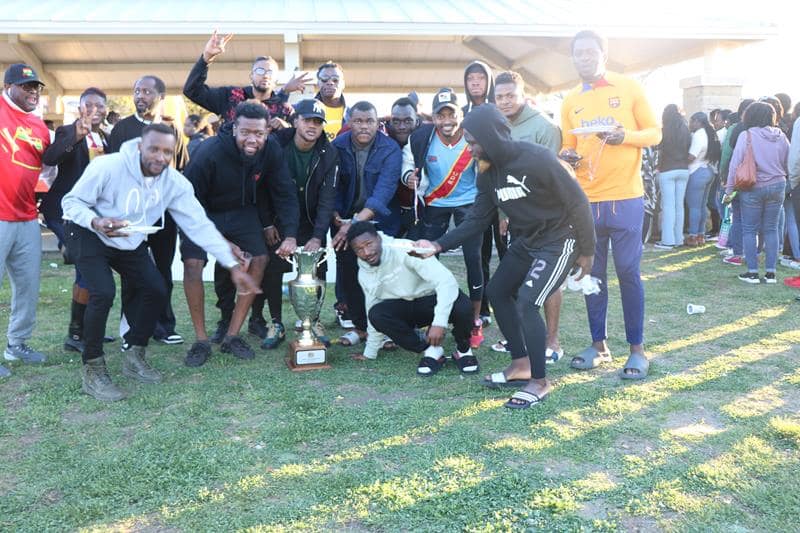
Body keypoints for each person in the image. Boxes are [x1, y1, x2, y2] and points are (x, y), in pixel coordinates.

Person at [413, 105, 595, 409]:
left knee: (527, 302)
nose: (469, 149)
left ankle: (539, 381)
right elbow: (476, 219)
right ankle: (521, 364)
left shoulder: (537, 158)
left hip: (560, 239)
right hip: (527, 240)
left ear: (491, 136)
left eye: (473, 142)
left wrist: (588, 251)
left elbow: (578, 201)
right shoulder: (487, 174)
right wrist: (437, 245)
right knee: (497, 291)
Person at [61, 124, 260, 401]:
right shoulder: (108, 166)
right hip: (87, 231)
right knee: (103, 291)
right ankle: (93, 369)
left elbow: (199, 225)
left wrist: (232, 265)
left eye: (167, 151)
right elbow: (71, 202)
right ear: (140, 147)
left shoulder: (174, 183)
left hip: (127, 237)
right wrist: (96, 221)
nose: (160, 157)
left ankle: (135, 355)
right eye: (154, 149)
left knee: (156, 289)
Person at [559, 30, 661, 379]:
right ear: (573, 58)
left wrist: (624, 137)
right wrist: (567, 156)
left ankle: (637, 350)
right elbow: (567, 146)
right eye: (579, 53)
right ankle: (598, 345)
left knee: (629, 272)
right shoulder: (571, 100)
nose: (585, 57)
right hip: (587, 200)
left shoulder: (629, 87)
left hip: (626, 197)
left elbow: (655, 132)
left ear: (604, 53)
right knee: (592, 274)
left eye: (591, 51)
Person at [181, 103, 299, 366]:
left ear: (267, 132)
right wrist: (223, 243)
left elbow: (285, 192)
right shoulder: (208, 151)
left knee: (260, 258)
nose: (252, 139)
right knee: (192, 264)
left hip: (240, 211)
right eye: (245, 132)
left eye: (258, 133)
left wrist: (291, 234)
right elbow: (188, 203)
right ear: (234, 128)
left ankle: (232, 336)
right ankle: (201, 341)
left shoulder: (271, 150)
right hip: (200, 212)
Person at [107, 75, 188, 346]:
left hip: (164, 214)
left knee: (163, 270)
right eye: (137, 91)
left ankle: (164, 326)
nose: (140, 96)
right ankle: (131, 330)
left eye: (147, 91)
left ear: (161, 97)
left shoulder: (172, 129)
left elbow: (181, 167)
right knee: (132, 272)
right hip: (130, 214)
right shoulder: (121, 129)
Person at [490, 70, 566, 363]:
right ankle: (518, 336)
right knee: (517, 279)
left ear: (523, 95)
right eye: (499, 97)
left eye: (510, 95)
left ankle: (552, 340)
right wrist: (503, 212)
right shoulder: (497, 126)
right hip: (515, 218)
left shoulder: (544, 127)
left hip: (546, 220)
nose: (505, 101)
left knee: (549, 280)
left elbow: (554, 177)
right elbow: (500, 174)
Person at [402, 88, 484, 348]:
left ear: (461, 114)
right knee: (429, 261)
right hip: (435, 203)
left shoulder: (474, 136)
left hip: (469, 203)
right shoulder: (421, 137)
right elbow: (408, 163)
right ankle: (433, 316)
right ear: (434, 117)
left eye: (452, 114)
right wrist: (408, 177)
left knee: (474, 259)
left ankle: (475, 319)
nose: (447, 120)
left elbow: (488, 167)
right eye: (441, 115)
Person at [253, 99, 337, 350]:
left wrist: (318, 235)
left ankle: (313, 320)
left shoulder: (329, 152)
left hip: (311, 220)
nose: (312, 126)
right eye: (307, 119)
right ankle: (276, 323)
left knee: (318, 268)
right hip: (277, 220)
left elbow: (328, 198)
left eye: (318, 122)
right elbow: (261, 189)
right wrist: (266, 223)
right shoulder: (275, 144)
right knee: (273, 267)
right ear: (295, 120)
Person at [348, 222, 479, 375]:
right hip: (408, 307)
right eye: (359, 249)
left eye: (369, 244)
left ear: (379, 238)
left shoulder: (406, 249)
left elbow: (446, 282)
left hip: (431, 298)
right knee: (376, 314)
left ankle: (463, 349)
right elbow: (371, 306)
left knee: (463, 306)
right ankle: (431, 351)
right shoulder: (364, 274)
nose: (366, 252)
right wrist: (370, 352)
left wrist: (439, 323)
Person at [41, 87, 111, 353]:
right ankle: (76, 334)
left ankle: (84, 330)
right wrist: (76, 137)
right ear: (80, 108)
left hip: (91, 215)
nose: (94, 110)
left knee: (88, 268)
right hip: (63, 212)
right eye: (88, 105)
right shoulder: (67, 131)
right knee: (87, 268)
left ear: (106, 109)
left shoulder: (106, 137)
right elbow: (51, 157)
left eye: (99, 105)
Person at [330, 101, 401, 347]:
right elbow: (331, 185)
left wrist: (352, 224)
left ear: (377, 123)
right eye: (358, 121)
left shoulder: (390, 149)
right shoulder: (337, 146)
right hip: (344, 219)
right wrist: (336, 215)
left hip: (378, 218)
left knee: (383, 273)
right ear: (349, 122)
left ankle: (387, 328)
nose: (363, 126)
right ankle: (360, 327)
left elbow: (384, 192)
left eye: (369, 121)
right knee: (349, 272)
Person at [0, 63, 51, 378]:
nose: (33, 92)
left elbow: (49, 169)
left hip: (27, 217)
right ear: (8, 87)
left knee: (28, 286)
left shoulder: (39, 126)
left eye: (36, 87)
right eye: (26, 86)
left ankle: (16, 344)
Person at [183, 31, 309, 128]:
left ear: (276, 79)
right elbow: (192, 91)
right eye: (260, 71)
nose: (265, 75)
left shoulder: (284, 109)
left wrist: (286, 128)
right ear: (251, 76)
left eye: (270, 72)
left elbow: (300, 135)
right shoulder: (230, 96)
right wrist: (207, 57)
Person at [724, 101, 788, 284]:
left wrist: (729, 190)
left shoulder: (747, 135)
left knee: (749, 229)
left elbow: (735, 164)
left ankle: (752, 272)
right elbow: (787, 160)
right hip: (778, 185)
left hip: (752, 186)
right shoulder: (781, 136)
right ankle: (770, 273)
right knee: (771, 229)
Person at [654, 104, 691, 249]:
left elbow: (659, 151)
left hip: (668, 169)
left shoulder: (664, 131)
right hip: (684, 169)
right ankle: (678, 238)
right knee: (679, 205)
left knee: (668, 206)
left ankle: (667, 240)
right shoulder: (686, 130)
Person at [386, 96, 421, 239]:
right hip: (390, 211)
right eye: (396, 121)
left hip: (421, 211)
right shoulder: (383, 139)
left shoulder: (427, 137)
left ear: (417, 121)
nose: (401, 127)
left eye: (408, 121)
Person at [685, 112, 721, 246]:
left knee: (694, 206)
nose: (690, 124)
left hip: (696, 171)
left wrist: (678, 162)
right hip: (708, 170)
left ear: (697, 122)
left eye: (691, 121)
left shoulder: (698, 135)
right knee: (702, 205)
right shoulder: (709, 133)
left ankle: (693, 236)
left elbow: (691, 156)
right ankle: (701, 235)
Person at [315, 62, 348, 141]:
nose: (330, 83)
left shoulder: (352, 114)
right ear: (318, 83)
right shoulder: (303, 110)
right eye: (324, 79)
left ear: (343, 84)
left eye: (335, 80)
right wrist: (286, 91)